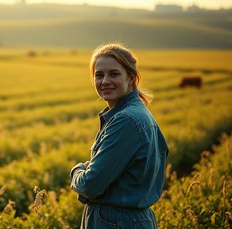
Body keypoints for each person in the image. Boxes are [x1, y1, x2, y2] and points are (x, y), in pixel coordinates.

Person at [70, 43, 169, 229]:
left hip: (117, 222)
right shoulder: (134, 114)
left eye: (114, 74)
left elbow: (91, 185)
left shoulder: (126, 121)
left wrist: (77, 171)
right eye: (99, 75)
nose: (105, 80)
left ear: (131, 78)